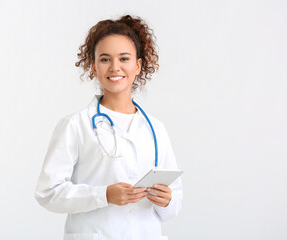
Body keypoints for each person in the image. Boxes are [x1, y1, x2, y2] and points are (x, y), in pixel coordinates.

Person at [34, 15, 183, 240]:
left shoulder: (155, 128)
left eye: (124, 58)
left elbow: (175, 200)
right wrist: (103, 195)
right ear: (93, 67)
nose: (115, 67)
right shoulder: (76, 125)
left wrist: (167, 200)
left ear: (138, 65)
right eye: (105, 59)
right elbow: (48, 192)